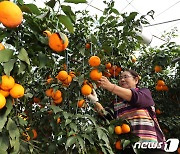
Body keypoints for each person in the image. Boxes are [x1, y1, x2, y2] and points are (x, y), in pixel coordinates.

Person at [88, 69, 167, 154]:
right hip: (129, 147)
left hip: (152, 146)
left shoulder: (144, 93)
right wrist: (94, 101)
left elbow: (135, 98)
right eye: (120, 78)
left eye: (125, 77)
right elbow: (105, 115)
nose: (122, 80)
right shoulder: (116, 102)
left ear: (136, 80)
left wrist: (110, 86)